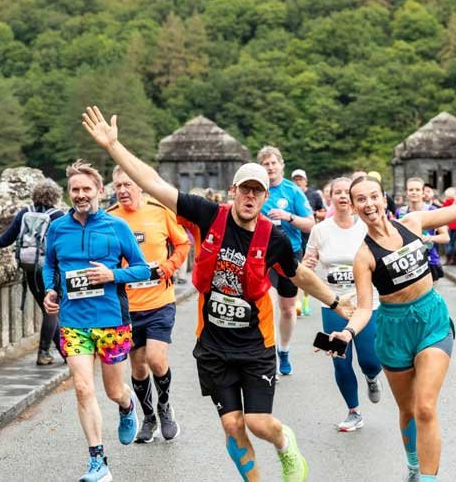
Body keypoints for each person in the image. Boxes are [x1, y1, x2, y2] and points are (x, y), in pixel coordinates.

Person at [82, 105, 346, 482]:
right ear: (233, 191)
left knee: (257, 422)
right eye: (245, 190)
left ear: (265, 196)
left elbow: (299, 275)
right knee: (232, 425)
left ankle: (285, 443)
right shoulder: (208, 215)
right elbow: (155, 183)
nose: (250, 197)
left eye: (259, 191)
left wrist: (336, 302)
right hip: (214, 346)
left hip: (255, 343)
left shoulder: (273, 237)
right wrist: (114, 146)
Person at [327, 135, 456, 482]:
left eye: (373, 196)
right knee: (408, 410)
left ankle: (427, 478)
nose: (368, 204)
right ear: (353, 208)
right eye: (360, 200)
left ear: (383, 199)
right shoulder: (364, 257)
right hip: (394, 330)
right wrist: (347, 332)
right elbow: (365, 307)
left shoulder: (413, 223)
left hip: (431, 319)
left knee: (426, 406)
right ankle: (414, 464)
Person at [41, 160, 150, 482]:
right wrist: (50, 290)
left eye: (86, 189)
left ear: (100, 191)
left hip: (112, 320)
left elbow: (143, 269)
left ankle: (128, 405)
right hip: (73, 322)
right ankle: (98, 461)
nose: (80, 194)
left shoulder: (117, 227)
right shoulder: (59, 227)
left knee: (114, 389)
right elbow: (50, 265)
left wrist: (111, 274)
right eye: (75, 189)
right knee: (82, 388)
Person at [107, 166, 191, 443]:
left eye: (128, 184)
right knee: (139, 368)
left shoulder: (160, 210)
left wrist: (169, 266)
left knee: (156, 359)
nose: (122, 190)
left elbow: (183, 245)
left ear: (140, 186)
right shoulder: (108, 218)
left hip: (159, 301)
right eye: (118, 185)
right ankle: (148, 418)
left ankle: (165, 408)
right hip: (126, 307)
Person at [303, 176, 383, 433]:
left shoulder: (366, 228)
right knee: (340, 360)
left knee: (371, 360)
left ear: (352, 198)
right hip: (333, 304)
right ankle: (353, 411)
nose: (341, 197)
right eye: (336, 192)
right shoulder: (320, 230)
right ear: (330, 198)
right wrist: (308, 265)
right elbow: (308, 264)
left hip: (367, 302)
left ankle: (371, 377)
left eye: (346, 192)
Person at [0, 178, 65, 365]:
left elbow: (8, 238)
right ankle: (44, 352)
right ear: (55, 196)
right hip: (51, 269)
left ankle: (64, 352)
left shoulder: (25, 212)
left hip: (30, 268)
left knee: (49, 310)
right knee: (52, 310)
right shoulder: (58, 216)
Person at [258, 146, 315, 375]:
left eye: (273, 163)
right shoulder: (257, 191)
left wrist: (288, 217)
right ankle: (268, 357)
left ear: (281, 165)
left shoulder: (293, 192)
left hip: (290, 253)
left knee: (288, 310)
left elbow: (310, 223)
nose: (270, 168)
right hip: (263, 255)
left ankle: (284, 349)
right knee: (268, 306)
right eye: (266, 164)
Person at [397, 177, 450, 282]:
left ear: (423, 193)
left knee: (429, 297)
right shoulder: (400, 212)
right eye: (411, 190)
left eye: (417, 190)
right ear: (406, 193)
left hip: (429, 260)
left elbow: (446, 237)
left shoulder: (432, 211)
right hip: (407, 263)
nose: (414, 192)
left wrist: (429, 238)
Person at [291, 168, 324, 317]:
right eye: (295, 179)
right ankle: (297, 301)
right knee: (297, 269)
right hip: (296, 236)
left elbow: (323, 212)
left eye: (300, 179)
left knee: (308, 270)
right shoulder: (291, 194)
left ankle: (305, 300)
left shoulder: (314, 195)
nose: (298, 181)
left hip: (311, 235)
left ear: (305, 180)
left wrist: (312, 214)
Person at [440, 188, 456, 265]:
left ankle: (448, 260)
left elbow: (441, 211)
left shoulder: (447, 202)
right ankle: (454, 260)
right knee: (453, 243)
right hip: (455, 225)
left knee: (448, 243)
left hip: (448, 225)